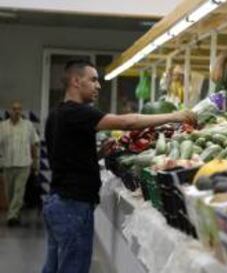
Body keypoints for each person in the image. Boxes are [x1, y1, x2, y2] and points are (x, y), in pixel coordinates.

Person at [42, 60, 196, 273]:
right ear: (76, 81)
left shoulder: (56, 114)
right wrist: (174, 116)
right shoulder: (78, 112)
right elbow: (127, 123)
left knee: (53, 267)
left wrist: (98, 154)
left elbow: (65, 157)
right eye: (93, 79)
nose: (98, 86)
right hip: (73, 207)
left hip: (57, 201)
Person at [0, 101, 40, 226]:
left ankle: (12, 216)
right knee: (9, 192)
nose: (16, 111)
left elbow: (34, 144)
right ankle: (14, 212)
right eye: (14, 109)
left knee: (19, 190)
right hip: (7, 164)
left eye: (19, 109)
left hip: (24, 164)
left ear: (21, 111)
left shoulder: (28, 125)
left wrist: (35, 162)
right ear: (10, 111)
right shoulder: (2, 126)